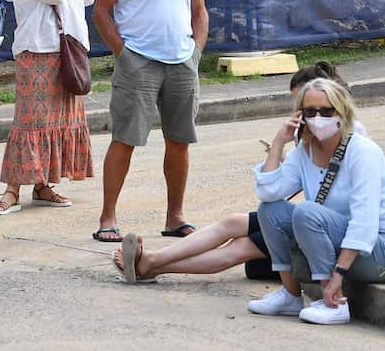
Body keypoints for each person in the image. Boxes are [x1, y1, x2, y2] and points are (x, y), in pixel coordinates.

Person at [112, 61, 367, 282]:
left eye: (308, 107)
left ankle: (152, 265)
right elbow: (271, 193)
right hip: (310, 218)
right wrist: (278, 145)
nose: (302, 114)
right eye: (302, 108)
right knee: (235, 223)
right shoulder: (307, 141)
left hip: (327, 227)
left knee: (241, 247)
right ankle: (153, 263)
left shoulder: (352, 139)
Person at [92, 0, 208, 243]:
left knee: (179, 141)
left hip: (181, 61)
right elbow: (102, 10)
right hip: (138, 61)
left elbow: (199, 11)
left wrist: (196, 53)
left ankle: (175, 217)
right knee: (125, 139)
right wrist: (123, 54)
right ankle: (108, 218)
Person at [248, 78, 385, 325]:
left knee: (307, 212)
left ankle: (334, 302)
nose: (318, 117)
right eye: (310, 111)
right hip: (337, 240)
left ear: (342, 111)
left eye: (326, 111)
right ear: (300, 115)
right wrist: (279, 142)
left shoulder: (363, 151)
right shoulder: (305, 151)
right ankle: (290, 295)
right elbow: (269, 192)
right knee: (271, 210)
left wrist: (337, 277)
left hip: (381, 250)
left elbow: (365, 222)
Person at [0, 0, 95, 215]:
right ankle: (11, 190)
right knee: (31, 124)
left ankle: (43, 185)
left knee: (60, 121)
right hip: (37, 54)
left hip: (68, 54)